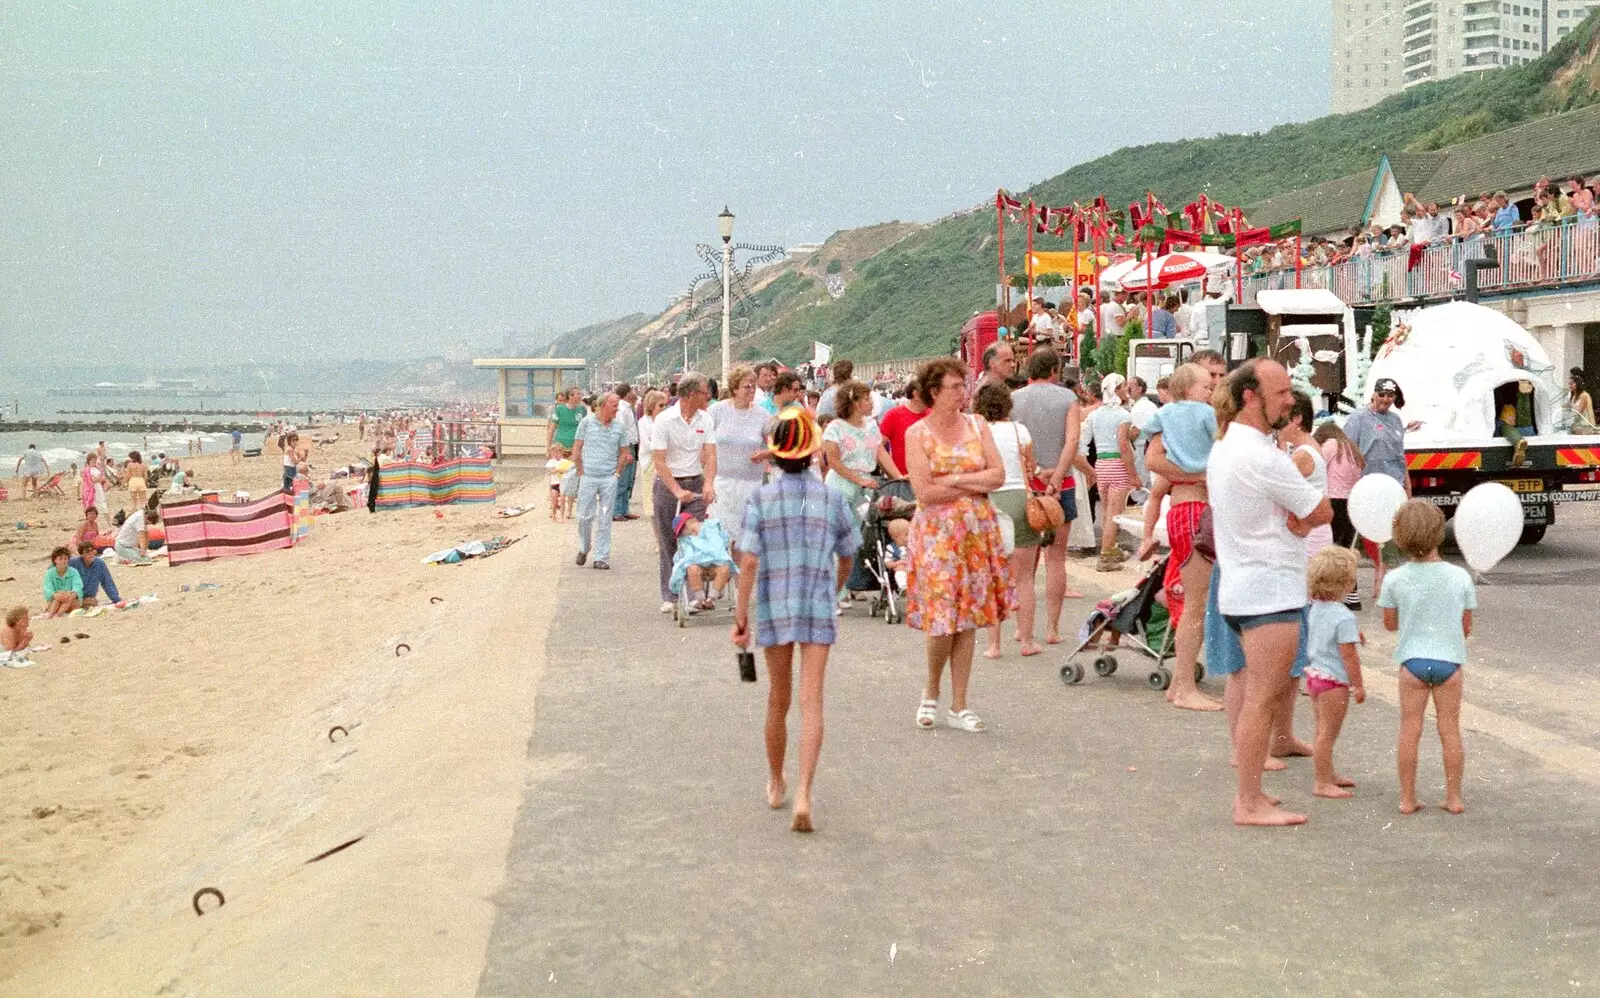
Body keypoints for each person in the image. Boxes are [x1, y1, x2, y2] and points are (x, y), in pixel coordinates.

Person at [1206, 359, 1332, 827]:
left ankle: (1253, 791)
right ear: (1250, 397)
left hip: (1243, 587)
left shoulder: (1227, 448)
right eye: (1280, 393)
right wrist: (1302, 517)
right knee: (1264, 697)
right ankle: (1248, 800)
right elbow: (1320, 510)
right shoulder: (1263, 455)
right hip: (1270, 591)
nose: (1290, 401)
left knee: (1258, 694)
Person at [730, 407, 860, 833]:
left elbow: (748, 561)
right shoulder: (831, 498)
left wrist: (740, 613)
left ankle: (776, 779)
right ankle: (805, 792)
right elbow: (847, 554)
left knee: (777, 700)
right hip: (817, 604)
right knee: (812, 701)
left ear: (775, 455)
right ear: (813, 453)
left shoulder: (761, 499)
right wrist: (835, 585)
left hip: (773, 604)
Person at [903, 358, 1011, 733]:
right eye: (954, 387)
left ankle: (960, 703)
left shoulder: (977, 425)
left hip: (976, 532)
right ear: (934, 392)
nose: (962, 393)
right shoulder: (916, 434)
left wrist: (955, 478)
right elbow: (925, 491)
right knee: (942, 620)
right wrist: (972, 482)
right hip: (937, 536)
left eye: (963, 386)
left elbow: (998, 476)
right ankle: (930, 691)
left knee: (968, 619)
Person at [1380, 499, 1474, 816]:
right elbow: (1465, 628)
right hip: (1449, 663)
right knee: (1450, 730)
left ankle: (1407, 799)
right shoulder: (1460, 577)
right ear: (1439, 534)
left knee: (1410, 730)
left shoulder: (1394, 579)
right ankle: (1454, 797)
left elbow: (1390, 624)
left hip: (1412, 663)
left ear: (1399, 537)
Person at [1010, 349, 1085, 641]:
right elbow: (1073, 441)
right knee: (1057, 559)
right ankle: (1052, 628)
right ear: (1055, 370)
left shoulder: (1015, 400)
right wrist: (1055, 475)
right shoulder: (1068, 399)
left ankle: (1021, 626)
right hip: (1061, 483)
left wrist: (1035, 471)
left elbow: (1014, 442)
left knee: (1025, 564)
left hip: (1027, 484)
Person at [975, 382, 1042, 659]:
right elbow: (1030, 467)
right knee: (1024, 578)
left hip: (990, 499)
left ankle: (994, 645)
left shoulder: (977, 433)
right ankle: (1026, 641)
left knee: (993, 577)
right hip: (1019, 498)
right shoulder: (1019, 430)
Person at [822, 381, 901, 607]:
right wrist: (858, 479)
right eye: (866, 399)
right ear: (854, 402)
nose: (870, 402)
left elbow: (880, 455)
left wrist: (897, 477)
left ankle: (850, 585)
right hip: (840, 486)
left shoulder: (871, 426)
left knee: (861, 539)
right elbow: (834, 461)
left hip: (865, 489)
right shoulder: (835, 428)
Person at [1343, 377, 1416, 602]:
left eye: (1390, 396)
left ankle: (1383, 578)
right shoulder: (1358, 419)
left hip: (1393, 484)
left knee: (1392, 532)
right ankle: (1376, 573)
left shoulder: (1395, 420)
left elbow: (1399, 456)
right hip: (1367, 484)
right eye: (1382, 395)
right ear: (1373, 394)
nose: (1385, 400)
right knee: (1369, 533)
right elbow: (1346, 452)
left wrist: (1407, 487)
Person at [1302, 547, 1365, 800]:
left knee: (1321, 730)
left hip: (1315, 675)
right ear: (1347, 583)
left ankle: (1328, 774)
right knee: (1328, 734)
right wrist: (1358, 684)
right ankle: (1321, 782)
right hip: (1334, 681)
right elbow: (1349, 654)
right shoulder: (1344, 615)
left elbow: (1324, 635)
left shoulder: (1314, 608)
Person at [651, 373, 717, 612]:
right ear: (691, 395)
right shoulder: (665, 420)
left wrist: (708, 483)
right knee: (669, 541)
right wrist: (677, 490)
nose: (708, 396)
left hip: (695, 482)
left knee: (692, 538)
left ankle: (695, 593)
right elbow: (659, 461)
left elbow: (710, 454)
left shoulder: (705, 420)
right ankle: (670, 594)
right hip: (669, 485)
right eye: (704, 392)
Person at [708, 366, 773, 545]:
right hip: (721, 483)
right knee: (720, 536)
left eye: (753, 386)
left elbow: (777, 446)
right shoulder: (717, 411)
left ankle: (739, 573)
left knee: (743, 540)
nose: (752, 390)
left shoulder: (762, 415)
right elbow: (705, 442)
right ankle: (723, 572)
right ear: (735, 388)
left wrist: (764, 453)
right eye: (747, 386)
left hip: (750, 484)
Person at [1081, 374, 1136, 571]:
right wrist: (1134, 475)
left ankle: (1111, 548)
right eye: (1122, 388)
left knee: (1105, 511)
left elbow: (1083, 442)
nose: (1125, 391)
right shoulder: (1123, 416)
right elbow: (1124, 445)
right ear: (1116, 390)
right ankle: (1105, 557)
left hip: (1101, 464)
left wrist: (1088, 468)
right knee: (1115, 514)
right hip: (1118, 465)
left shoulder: (1094, 415)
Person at [570, 392, 629, 571]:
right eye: (614, 406)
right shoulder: (586, 423)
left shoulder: (619, 427)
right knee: (583, 517)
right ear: (603, 405)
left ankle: (601, 557)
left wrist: (617, 474)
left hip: (608, 480)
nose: (617, 409)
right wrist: (580, 470)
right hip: (588, 477)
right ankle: (584, 547)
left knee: (604, 518)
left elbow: (625, 452)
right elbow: (577, 448)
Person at [1315, 421, 1366, 604]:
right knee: (1346, 550)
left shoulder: (1331, 445)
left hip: (1334, 501)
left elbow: (1316, 465)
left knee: (1332, 551)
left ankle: (1333, 593)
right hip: (1352, 503)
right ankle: (1353, 595)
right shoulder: (1352, 448)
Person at [1280, 392, 1333, 554]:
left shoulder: (1303, 454)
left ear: (1297, 418)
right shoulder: (1309, 445)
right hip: (1314, 530)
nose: (1276, 424)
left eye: (1281, 418)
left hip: (1309, 534)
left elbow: (1275, 489)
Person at [670, 512, 735, 610]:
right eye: (684, 532)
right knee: (692, 568)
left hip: (716, 564)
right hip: (697, 566)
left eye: (688, 527)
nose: (687, 531)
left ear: (695, 521)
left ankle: (711, 598)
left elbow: (723, 541)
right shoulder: (686, 541)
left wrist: (724, 543)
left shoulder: (711, 528)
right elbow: (681, 557)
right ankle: (701, 599)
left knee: (724, 569)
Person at [876, 372, 927, 475]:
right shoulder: (894, 415)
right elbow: (878, 448)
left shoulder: (934, 415)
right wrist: (895, 476)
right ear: (916, 394)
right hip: (904, 482)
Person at [612, 384, 641, 521]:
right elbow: (621, 430)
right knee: (622, 480)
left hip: (632, 445)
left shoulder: (629, 408)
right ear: (627, 393)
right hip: (626, 446)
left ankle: (624, 508)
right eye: (632, 390)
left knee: (629, 480)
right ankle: (617, 510)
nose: (634, 392)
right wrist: (626, 451)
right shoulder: (622, 409)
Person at [69, 541, 122, 608]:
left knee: (92, 602)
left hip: (90, 597)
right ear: (81, 555)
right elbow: (56, 567)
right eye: (87, 552)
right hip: (74, 596)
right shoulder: (73, 562)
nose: (90, 553)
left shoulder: (100, 563)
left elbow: (107, 582)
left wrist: (117, 600)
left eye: (92, 550)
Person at [43, 546, 83, 617]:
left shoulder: (74, 572)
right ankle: (51, 614)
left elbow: (78, 586)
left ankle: (57, 615)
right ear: (55, 560)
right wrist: (55, 595)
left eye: (65, 558)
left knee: (69, 598)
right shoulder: (49, 573)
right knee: (58, 596)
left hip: (70, 599)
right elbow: (47, 589)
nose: (64, 561)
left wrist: (72, 594)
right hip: (55, 600)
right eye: (60, 559)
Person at [548, 387, 586, 454]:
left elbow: (586, 429)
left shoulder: (582, 409)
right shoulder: (559, 409)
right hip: (560, 447)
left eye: (580, 394)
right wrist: (548, 448)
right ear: (570, 396)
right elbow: (551, 429)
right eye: (578, 394)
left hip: (576, 448)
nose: (580, 396)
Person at [124, 450, 148, 514]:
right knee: (143, 500)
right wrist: (144, 482)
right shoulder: (143, 464)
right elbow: (145, 475)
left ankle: (136, 511)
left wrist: (123, 483)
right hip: (140, 480)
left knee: (134, 501)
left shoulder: (130, 464)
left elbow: (127, 475)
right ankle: (143, 512)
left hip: (133, 480)